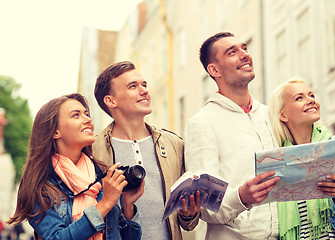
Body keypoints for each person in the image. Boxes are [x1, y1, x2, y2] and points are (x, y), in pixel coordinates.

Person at [184, 31, 280, 239]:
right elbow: (205, 205)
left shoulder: (269, 114)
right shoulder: (202, 123)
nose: (245, 54)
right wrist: (241, 197)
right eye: (232, 52)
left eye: (244, 48)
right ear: (214, 69)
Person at [7, 93, 143, 240]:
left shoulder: (104, 175)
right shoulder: (40, 187)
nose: (88, 120)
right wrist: (105, 204)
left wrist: (128, 205)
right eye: (76, 115)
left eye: (86, 114)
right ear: (55, 131)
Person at [93, 61, 200, 240]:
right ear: (111, 101)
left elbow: (188, 223)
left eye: (144, 85)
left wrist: (189, 214)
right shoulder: (93, 150)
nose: (144, 91)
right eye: (133, 86)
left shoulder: (174, 144)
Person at [269, 79, 335, 240]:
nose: (311, 100)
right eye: (299, 98)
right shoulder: (276, 162)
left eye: (311, 95)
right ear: (283, 115)